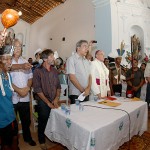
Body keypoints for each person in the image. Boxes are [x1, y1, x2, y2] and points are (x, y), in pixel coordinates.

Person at [33, 49, 61, 150]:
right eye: (51, 56)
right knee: (43, 120)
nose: (54, 58)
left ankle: (54, 137)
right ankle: (41, 140)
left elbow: (58, 86)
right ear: (45, 59)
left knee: (57, 118)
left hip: (54, 99)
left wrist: (57, 98)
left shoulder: (54, 70)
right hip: (43, 101)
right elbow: (38, 90)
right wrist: (48, 102)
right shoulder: (37, 71)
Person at [10, 39, 36, 146]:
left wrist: (27, 88)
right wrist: (19, 90)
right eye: (15, 47)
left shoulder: (25, 61)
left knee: (26, 120)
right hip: (12, 97)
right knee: (12, 122)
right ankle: (13, 141)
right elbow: (7, 80)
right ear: (11, 48)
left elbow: (30, 77)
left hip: (25, 96)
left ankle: (27, 138)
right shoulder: (7, 61)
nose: (18, 49)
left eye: (20, 47)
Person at [0, 45, 20, 150]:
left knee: (15, 141)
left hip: (10, 116)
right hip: (1, 120)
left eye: (10, 59)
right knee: (5, 146)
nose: (9, 62)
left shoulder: (8, 75)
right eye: (5, 59)